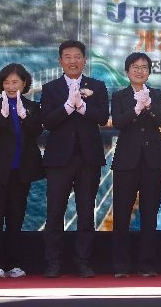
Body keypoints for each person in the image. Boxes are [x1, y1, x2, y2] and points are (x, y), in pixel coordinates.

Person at [40, 40, 109, 278]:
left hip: (89, 158)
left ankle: (83, 261)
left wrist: (83, 108)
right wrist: (69, 106)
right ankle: (53, 262)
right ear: (60, 61)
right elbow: (47, 121)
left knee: (86, 212)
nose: (73, 61)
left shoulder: (97, 86)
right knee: (54, 212)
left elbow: (102, 117)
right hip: (59, 159)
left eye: (77, 56)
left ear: (84, 60)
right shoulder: (50, 88)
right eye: (67, 57)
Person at [0, 63, 44, 279]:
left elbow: (37, 131)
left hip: (22, 171)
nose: (11, 86)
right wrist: (3, 114)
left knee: (16, 218)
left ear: (24, 83)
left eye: (15, 82)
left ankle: (14, 263)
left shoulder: (32, 106)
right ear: (1, 85)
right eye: (7, 82)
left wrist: (24, 115)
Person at [110, 53, 161, 278]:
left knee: (149, 213)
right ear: (127, 71)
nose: (139, 71)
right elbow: (118, 122)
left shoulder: (156, 94)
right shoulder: (119, 96)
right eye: (135, 67)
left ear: (149, 71)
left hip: (153, 160)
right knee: (121, 214)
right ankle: (121, 266)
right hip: (126, 161)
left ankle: (147, 264)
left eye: (144, 67)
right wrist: (136, 108)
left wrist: (149, 106)